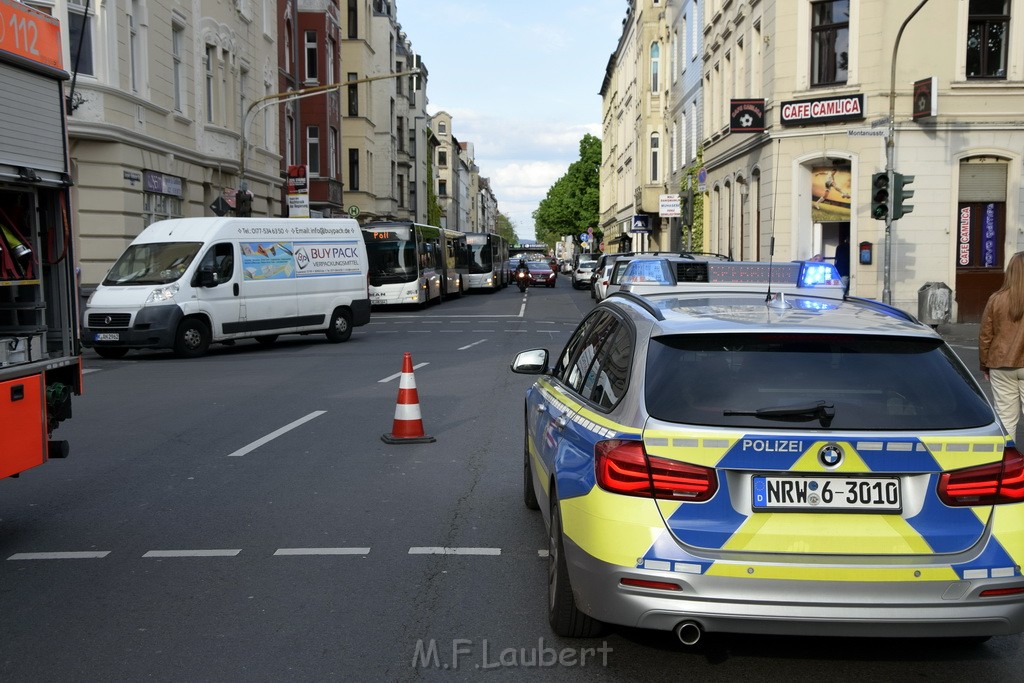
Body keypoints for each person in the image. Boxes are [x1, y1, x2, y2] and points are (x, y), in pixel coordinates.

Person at [979, 251, 1024, 441]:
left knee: (1006, 419)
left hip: (1000, 363)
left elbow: (985, 336)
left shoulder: (996, 298)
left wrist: (984, 365)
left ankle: (1009, 463)